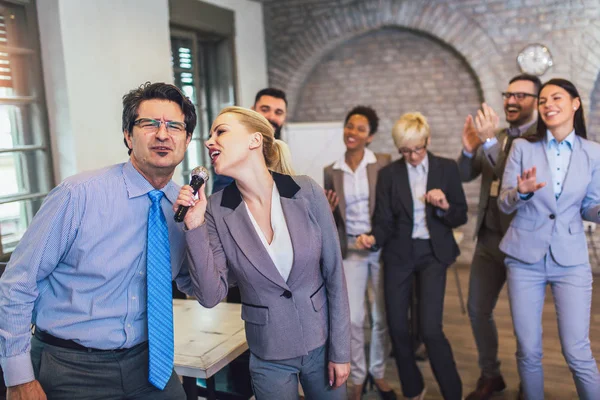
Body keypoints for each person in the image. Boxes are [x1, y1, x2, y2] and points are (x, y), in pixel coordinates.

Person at [0, 82, 199, 399]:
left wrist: (198, 231)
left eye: (174, 126)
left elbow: (194, 285)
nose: (163, 134)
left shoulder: (183, 208)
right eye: (149, 123)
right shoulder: (78, 196)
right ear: (127, 135)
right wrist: (18, 378)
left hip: (150, 363)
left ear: (187, 140)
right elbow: (17, 282)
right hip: (70, 366)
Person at [175, 106, 350, 399]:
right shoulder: (216, 210)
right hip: (268, 354)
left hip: (322, 345)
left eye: (221, 131)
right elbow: (209, 295)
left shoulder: (306, 191)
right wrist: (194, 225)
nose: (209, 141)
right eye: (209, 135)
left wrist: (341, 351)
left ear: (255, 140)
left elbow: (335, 274)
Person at [498, 78, 600, 400]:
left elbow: (590, 206)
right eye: (542, 100)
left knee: (577, 350)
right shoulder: (522, 147)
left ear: (575, 104)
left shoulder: (593, 153)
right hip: (524, 258)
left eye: (556, 98)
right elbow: (503, 201)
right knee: (528, 350)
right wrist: (521, 194)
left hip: (570, 259)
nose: (548, 105)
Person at [357, 112, 467, 400]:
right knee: (396, 326)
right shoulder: (389, 174)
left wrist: (443, 205)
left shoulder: (446, 168)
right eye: (405, 151)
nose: (413, 156)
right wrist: (373, 237)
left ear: (427, 141)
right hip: (399, 253)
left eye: (417, 149)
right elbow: (383, 220)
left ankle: (452, 392)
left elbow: (460, 215)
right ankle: (414, 388)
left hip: (433, 253)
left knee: (431, 330)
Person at [458, 74, 541, 400]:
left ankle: (529, 384)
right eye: (509, 94)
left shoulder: (539, 138)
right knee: (477, 309)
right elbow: (465, 175)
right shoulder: (499, 136)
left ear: (537, 101)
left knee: (524, 320)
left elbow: (512, 176)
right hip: (488, 240)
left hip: (522, 242)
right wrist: (468, 150)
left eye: (521, 95)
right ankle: (491, 375)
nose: (511, 100)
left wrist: (489, 142)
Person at [323, 106, 395, 400]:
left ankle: (377, 373)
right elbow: (332, 217)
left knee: (380, 316)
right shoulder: (331, 171)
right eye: (349, 126)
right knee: (352, 318)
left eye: (360, 129)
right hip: (350, 249)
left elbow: (390, 208)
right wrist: (327, 211)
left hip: (379, 247)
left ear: (371, 136)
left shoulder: (384, 163)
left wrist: (375, 236)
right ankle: (357, 376)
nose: (352, 132)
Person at [212, 88, 289, 193]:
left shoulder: (282, 152)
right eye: (265, 109)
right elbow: (221, 203)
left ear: (285, 117)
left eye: (278, 112)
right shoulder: (236, 152)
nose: (271, 117)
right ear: (253, 111)